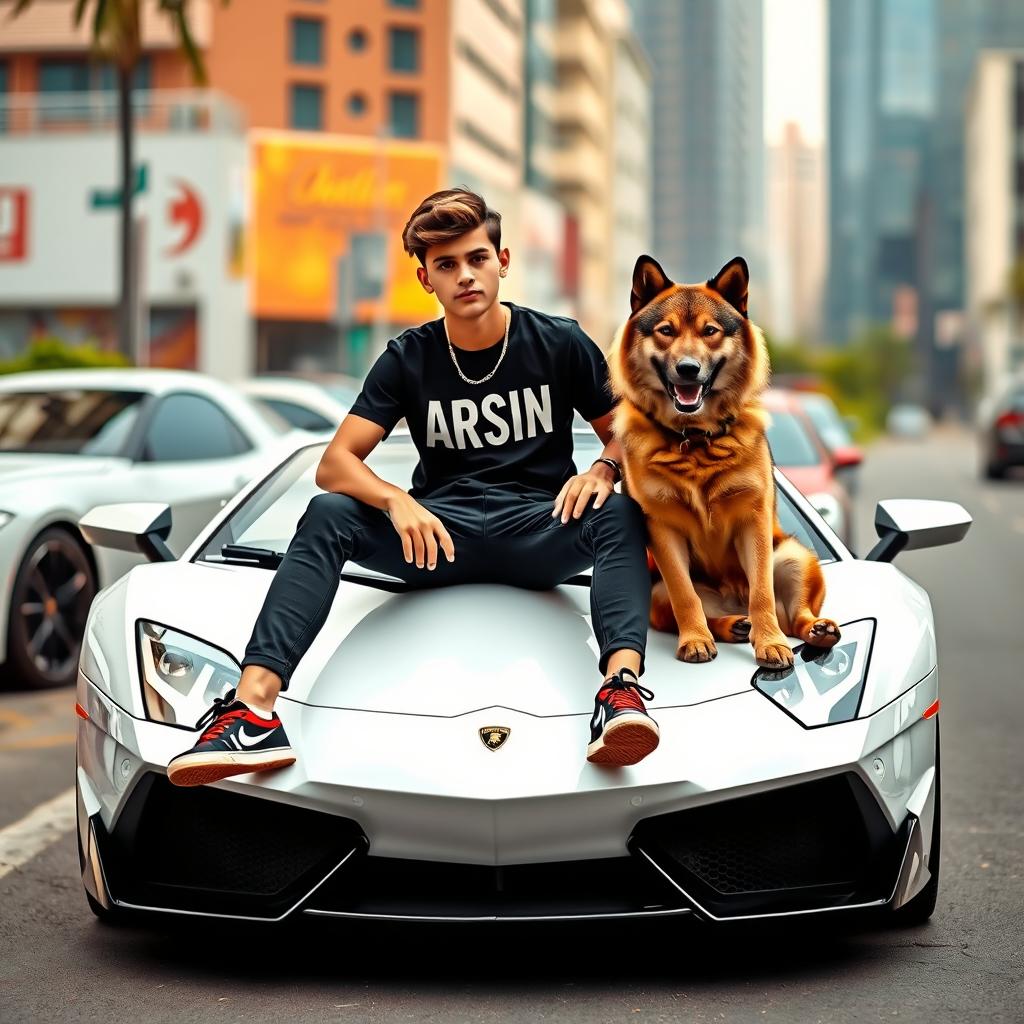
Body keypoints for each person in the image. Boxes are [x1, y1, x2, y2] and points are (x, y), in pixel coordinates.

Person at [167, 188, 658, 788]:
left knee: (619, 512)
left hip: (538, 529)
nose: (465, 276)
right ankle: (253, 712)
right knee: (329, 513)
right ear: (426, 279)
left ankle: (621, 696)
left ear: (503, 261)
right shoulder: (408, 357)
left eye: (477, 258)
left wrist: (603, 468)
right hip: (437, 538)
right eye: (447, 266)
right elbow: (335, 463)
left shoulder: (558, 342)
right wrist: (396, 500)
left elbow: (630, 434)